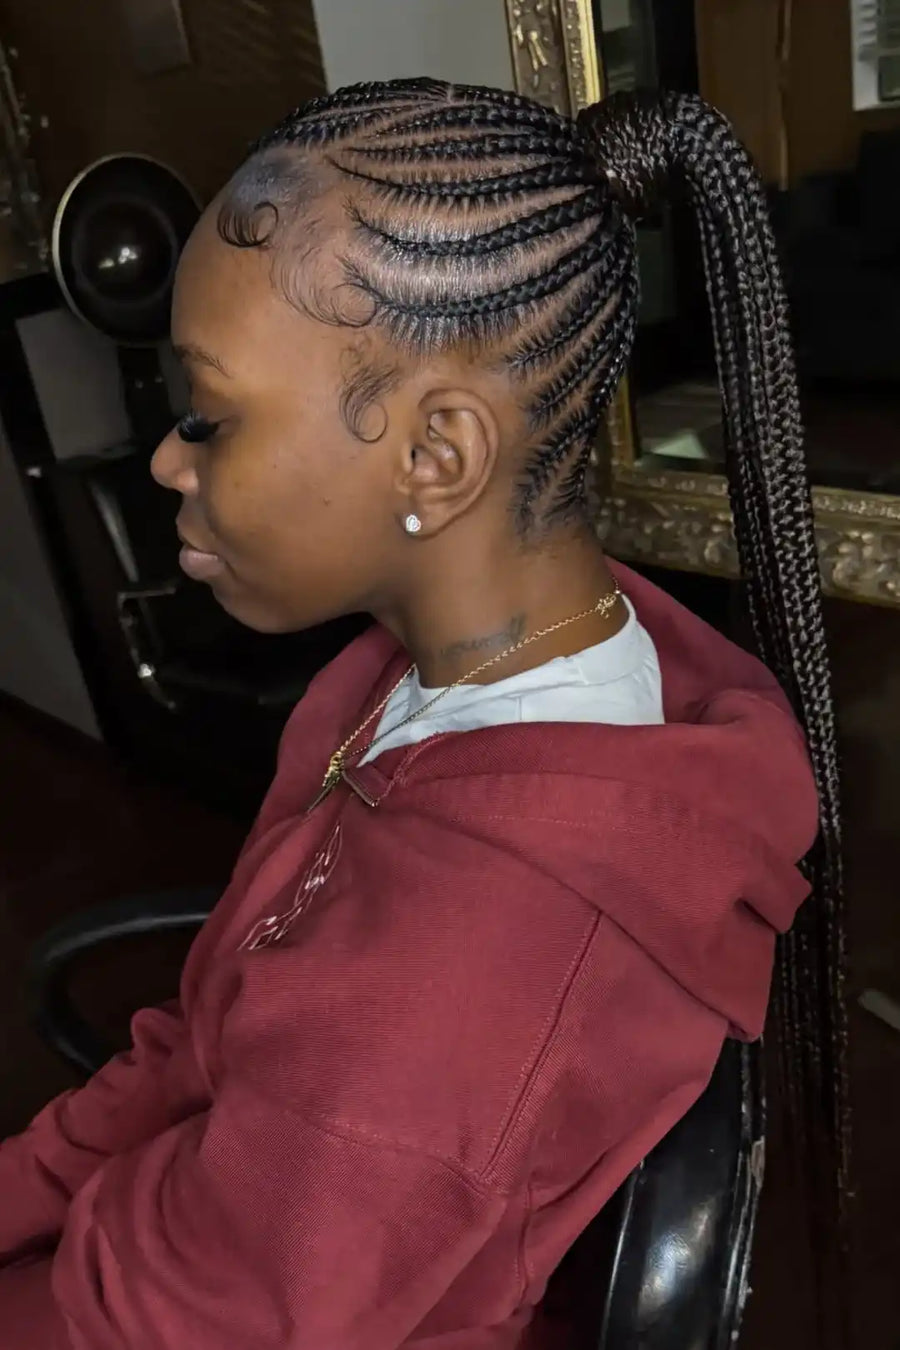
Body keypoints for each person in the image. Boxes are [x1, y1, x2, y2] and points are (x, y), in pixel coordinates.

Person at [0, 80, 844, 1348]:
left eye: (208, 416)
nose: (171, 461)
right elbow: (204, 1026)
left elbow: (165, 1322)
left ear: (437, 458)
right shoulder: (434, 671)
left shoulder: (451, 990)